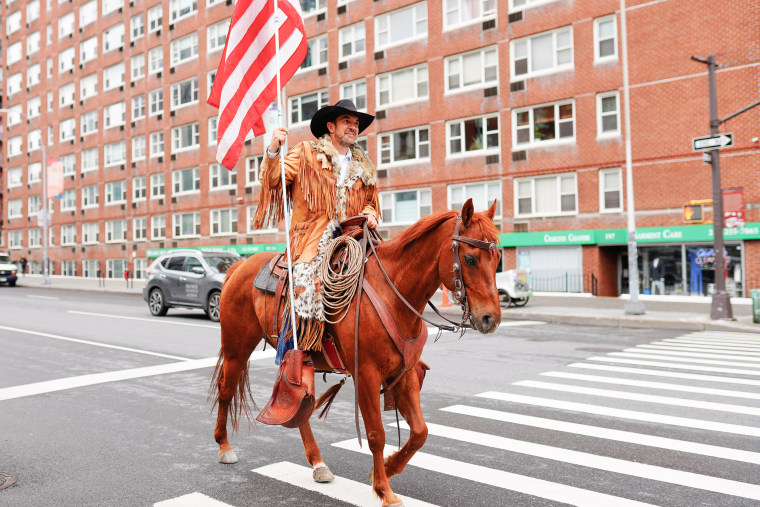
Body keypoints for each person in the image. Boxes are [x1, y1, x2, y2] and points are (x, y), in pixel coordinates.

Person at [253, 99, 379, 355]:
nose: (353, 127)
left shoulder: (364, 166)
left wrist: (370, 214)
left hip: (353, 238)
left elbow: (371, 204)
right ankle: (295, 354)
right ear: (331, 127)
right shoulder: (306, 153)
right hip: (311, 239)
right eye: (347, 122)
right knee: (307, 284)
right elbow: (274, 180)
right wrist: (274, 149)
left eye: (356, 124)